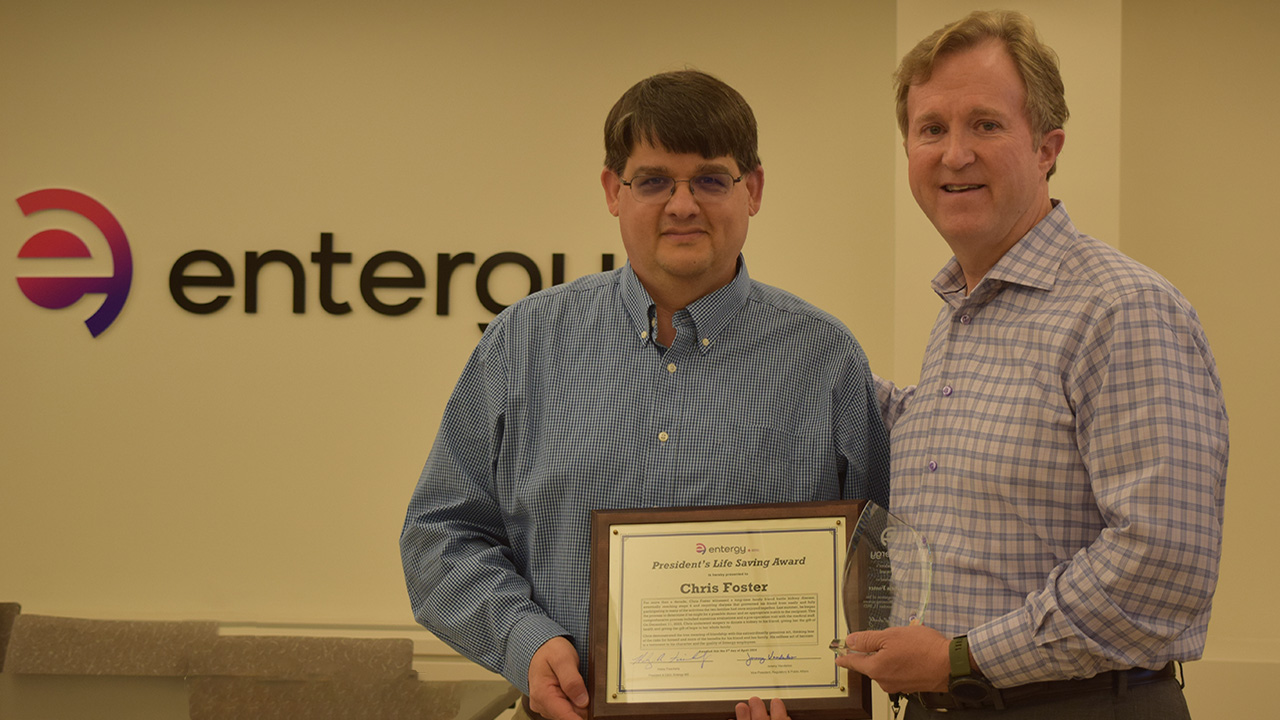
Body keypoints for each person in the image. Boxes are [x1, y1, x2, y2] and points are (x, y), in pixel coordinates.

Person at [400, 69, 890, 720]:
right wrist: (525, 640)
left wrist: (821, 680)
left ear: (755, 189)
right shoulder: (523, 345)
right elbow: (440, 536)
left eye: (711, 179)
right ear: (613, 190)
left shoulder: (826, 361)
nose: (682, 205)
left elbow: (884, 560)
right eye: (654, 180)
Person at [827, 10, 1228, 720]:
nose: (954, 154)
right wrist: (800, 353)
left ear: (1048, 147)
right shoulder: (961, 315)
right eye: (931, 129)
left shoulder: (1120, 309)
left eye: (985, 124)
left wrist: (960, 658)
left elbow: (1160, 569)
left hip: (1075, 704)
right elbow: (933, 448)